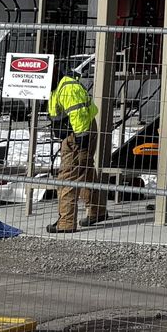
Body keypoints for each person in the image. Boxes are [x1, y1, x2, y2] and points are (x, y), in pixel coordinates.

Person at [46, 72, 105, 233]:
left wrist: (82, 143)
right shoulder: (58, 87)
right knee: (85, 170)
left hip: (78, 134)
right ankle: (97, 210)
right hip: (76, 132)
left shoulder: (67, 88)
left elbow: (79, 116)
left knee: (68, 175)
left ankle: (66, 222)